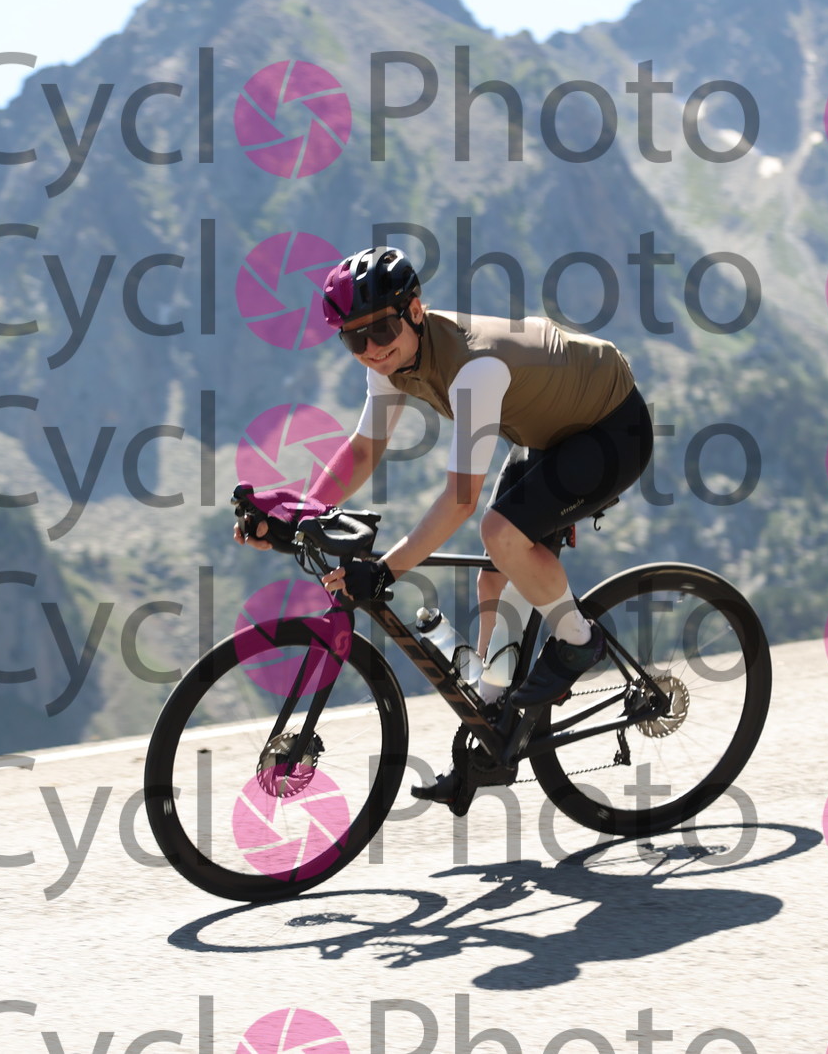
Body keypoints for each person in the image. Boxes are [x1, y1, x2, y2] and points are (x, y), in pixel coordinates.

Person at [234, 246, 654, 803]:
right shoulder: (393, 359)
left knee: (500, 533)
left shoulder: (472, 368)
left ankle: (579, 642)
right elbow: (363, 450)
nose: (370, 349)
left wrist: (385, 571)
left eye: (380, 330)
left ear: (414, 311)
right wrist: (301, 513)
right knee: (494, 576)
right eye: (353, 340)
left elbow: (460, 500)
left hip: (611, 427)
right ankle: (494, 736)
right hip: (550, 431)